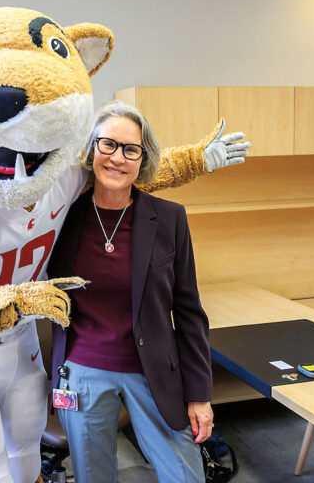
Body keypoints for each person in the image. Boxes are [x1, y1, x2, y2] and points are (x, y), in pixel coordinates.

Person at [48, 101, 214, 483]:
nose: (117, 158)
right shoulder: (64, 216)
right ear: (92, 150)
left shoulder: (169, 218)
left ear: (143, 159)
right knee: (93, 476)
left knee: (185, 475)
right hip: (83, 371)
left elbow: (189, 311)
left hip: (154, 368)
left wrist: (200, 394)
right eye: (108, 145)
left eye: (130, 149)